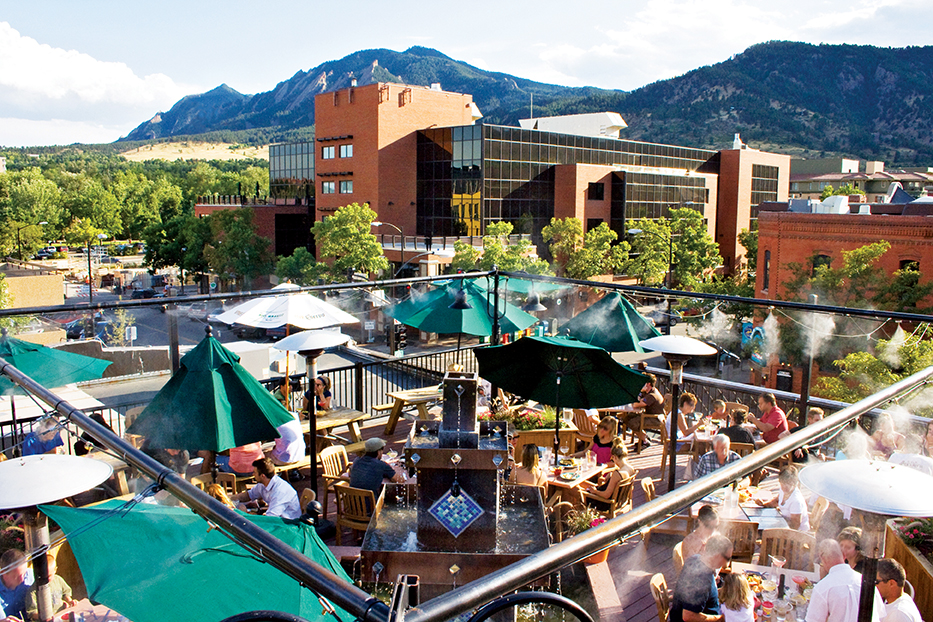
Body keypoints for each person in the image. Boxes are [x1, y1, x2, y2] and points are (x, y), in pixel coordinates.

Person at [806, 539, 885, 622]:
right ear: (844, 555)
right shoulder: (865, 581)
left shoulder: (823, 587)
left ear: (822, 558)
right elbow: (881, 615)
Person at [669, 534, 733, 622]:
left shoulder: (695, 559)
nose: (728, 563)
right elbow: (688, 616)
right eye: (728, 558)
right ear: (717, 556)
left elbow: (702, 595)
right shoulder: (701, 581)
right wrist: (720, 618)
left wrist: (722, 591)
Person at [230, 458, 301, 519]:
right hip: (277, 519)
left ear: (262, 476)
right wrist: (228, 499)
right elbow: (248, 495)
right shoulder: (263, 484)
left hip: (287, 525)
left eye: (255, 472)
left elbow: (270, 518)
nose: (253, 474)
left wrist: (246, 513)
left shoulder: (280, 491)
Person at [579, 438, 635, 511]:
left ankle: (581, 514)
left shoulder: (617, 474)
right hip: (618, 500)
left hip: (604, 502)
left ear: (614, 457)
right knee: (583, 484)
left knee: (577, 491)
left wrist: (595, 491)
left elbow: (606, 495)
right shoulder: (631, 469)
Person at [756, 465, 810, 532]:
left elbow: (795, 526)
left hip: (797, 534)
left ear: (795, 483)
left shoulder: (796, 501)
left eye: (788, 483)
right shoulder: (784, 490)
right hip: (783, 524)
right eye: (782, 483)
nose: (784, 486)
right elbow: (776, 501)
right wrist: (763, 504)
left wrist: (776, 524)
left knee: (761, 531)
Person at [619, 374, 665, 448]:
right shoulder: (648, 391)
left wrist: (637, 398)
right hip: (648, 415)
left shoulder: (652, 395)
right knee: (627, 418)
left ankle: (645, 441)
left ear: (648, 384)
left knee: (632, 422)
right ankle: (644, 437)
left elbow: (636, 404)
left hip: (655, 419)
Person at [24, 553, 74, 620]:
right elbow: (32, 612)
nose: (46, 579)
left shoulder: (58, 580)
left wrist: (70, 601)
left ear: (55, 570)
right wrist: (43, 617)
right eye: (44, 576)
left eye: (49, 576)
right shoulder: (33, 591)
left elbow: (66, 593)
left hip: (61, 615)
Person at [0, 549, 33, 622]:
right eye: (18, 576)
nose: (23, 579)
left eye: (25, 574)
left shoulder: (32, 576)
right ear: (3, 573)